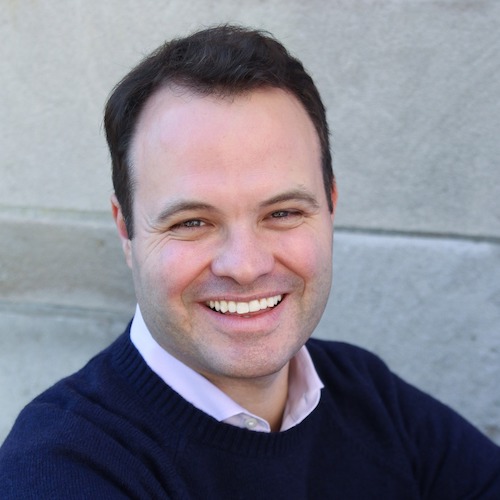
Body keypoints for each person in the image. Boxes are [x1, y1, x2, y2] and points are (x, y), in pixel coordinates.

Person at [0, 25, 499, 499]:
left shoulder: (367, 394)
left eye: (282, 212)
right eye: (192, 222)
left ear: (330, 207)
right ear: (126, 229)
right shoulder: (59, 468)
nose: (245, 265)